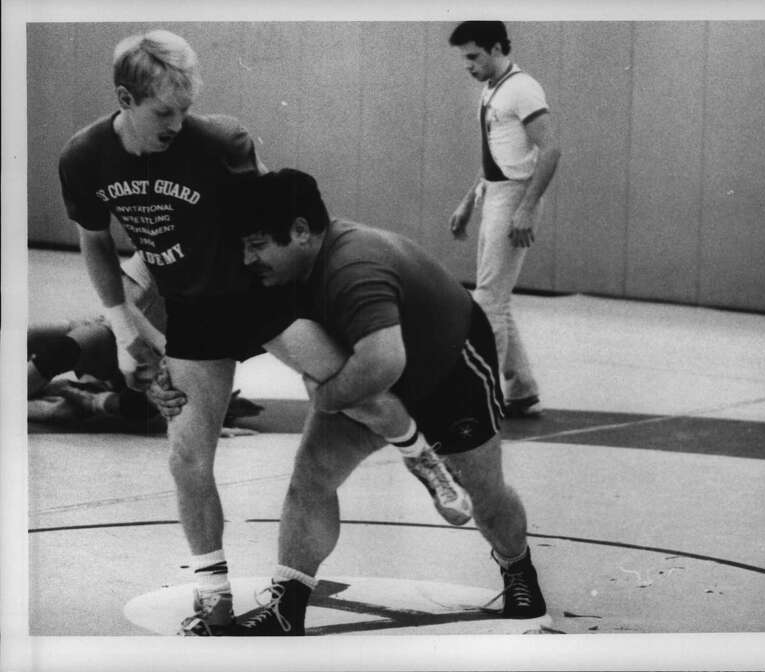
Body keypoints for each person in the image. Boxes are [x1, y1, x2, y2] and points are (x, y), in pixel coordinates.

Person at [57, 30, 470, 638]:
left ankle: (424, 460)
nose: (176, 123)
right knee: (186, 457)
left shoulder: (221, 141)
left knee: (358, 393)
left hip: (259, 291)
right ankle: (213, 595)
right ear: (124, 98)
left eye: (185, 109)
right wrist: (127, 324)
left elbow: (272, 216)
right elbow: (96, 241)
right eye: (163, 112)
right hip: (192, 309)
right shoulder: (84, 157)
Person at [223, 168, 548, 635]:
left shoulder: (353, 264)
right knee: (311, 477)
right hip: (366, 376)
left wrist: (328, 397)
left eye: (257, 245)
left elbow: (384, 362)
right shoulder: (288, 270)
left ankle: (519, 570)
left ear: (299, 232)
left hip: (451, 371)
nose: (248, 258)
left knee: (486, 496)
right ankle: (287, 605)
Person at [447, 21, 561, 419]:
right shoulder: (492, 88)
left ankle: (481, 398)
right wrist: (469, 201)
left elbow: (550, 150)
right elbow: (497, 157)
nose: (468, 65)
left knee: (487, 303)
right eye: (465, 58)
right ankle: (521, 387)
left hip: (514, 197)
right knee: (495, 297)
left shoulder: (523, 89)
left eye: (474, 56)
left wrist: (527, 207)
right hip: (495, 195)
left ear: (497, 48)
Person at [27, 253, 260, 435]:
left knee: (158, 401)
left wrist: (208, 420)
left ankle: (93, 402)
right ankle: (33, 396)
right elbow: (118, 301)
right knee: (48, 340)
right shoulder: (162, 248)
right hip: (120, 338)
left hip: (154, 364)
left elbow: (212, 359)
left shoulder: (232, 283)